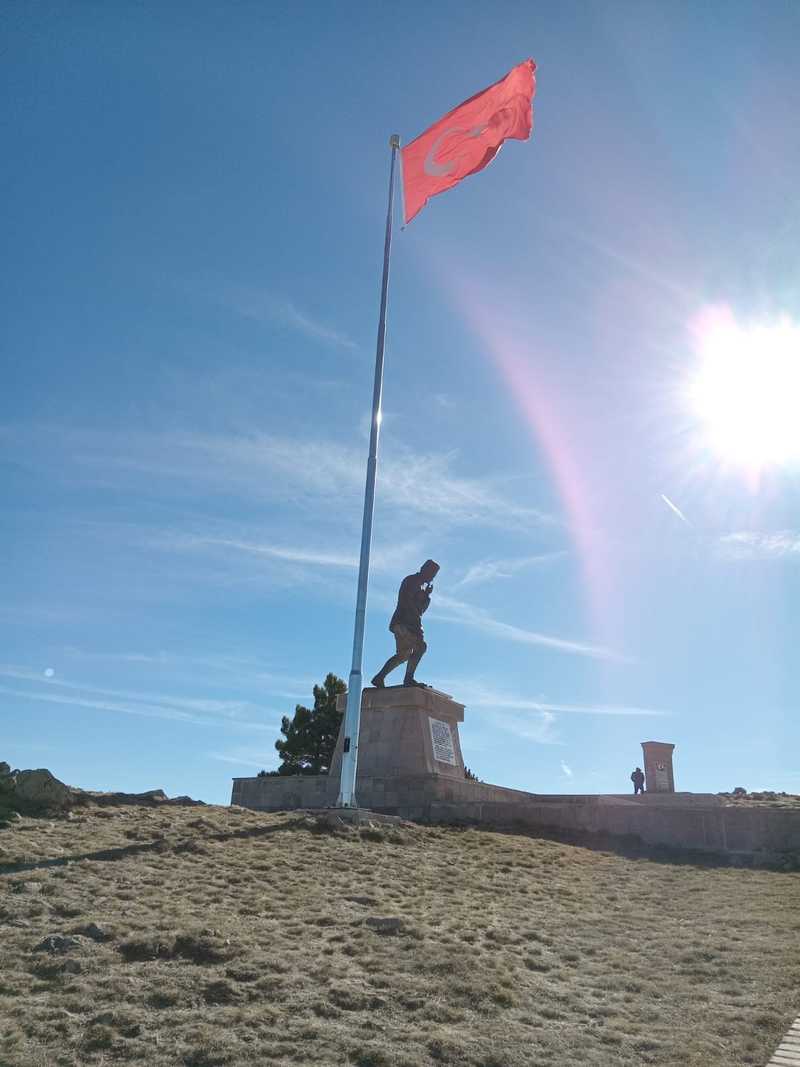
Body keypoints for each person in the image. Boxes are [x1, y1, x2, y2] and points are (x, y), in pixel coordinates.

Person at [371, 560, 440, 689]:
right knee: (420, 647)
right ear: (424, 569)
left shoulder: (421, 587)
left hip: (409, 624)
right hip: (403, 623)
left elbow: (421, 611)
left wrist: (426, 596)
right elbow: (406, 602)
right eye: (431, 573)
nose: (432, 577)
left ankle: (379, 677)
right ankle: (408, 679)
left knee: (403, 655)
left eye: (434, 575)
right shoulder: (412, 581)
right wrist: (415, 625)